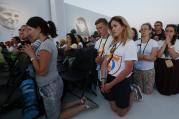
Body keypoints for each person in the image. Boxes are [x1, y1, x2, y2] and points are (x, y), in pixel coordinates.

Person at [23, 16, 63, 119]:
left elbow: (42, 72)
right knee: (56, 110)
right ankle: (82, 102)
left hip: (50, 86)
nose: (28, 33)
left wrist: (32, 56)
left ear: (39, 29)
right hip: (50, 84)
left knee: (55, 117)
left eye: (29, 30)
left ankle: (84, 106)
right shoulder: (44, 43)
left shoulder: (45, 45)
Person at [100, 16, 137, 117]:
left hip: (122, 80)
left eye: (115, 25)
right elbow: (104, 62)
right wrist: (103, 80)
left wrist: (110, 85)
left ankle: (132, 93)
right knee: (113, 107)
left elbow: (128, 69)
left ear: (123, 26)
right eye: (111, 27)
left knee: (121, 113)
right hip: (108, 77)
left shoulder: (130, 44)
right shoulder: (112, 43)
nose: (113, 29)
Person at [133, 23, 158, 94]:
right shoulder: (135, 42)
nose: (143, 31)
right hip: (137, 70)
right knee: (138, 91)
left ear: (150, 30)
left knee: (148, 92)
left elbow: (153, 58)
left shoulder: (154, 42)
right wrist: (147, 57)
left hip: (149, 71)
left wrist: (141, 56)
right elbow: (132, 55)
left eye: (145, 29)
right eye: (142, 29)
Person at [156, 24, 179, 95]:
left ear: (175, 33)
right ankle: (162, 89)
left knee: (173, 78)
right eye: (166, 31)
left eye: (171, 31)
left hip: (174, 63)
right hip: (162, 62)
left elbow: (174, 56)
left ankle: (173, 90)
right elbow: (159, 55)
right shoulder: (160, 42)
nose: (168, 33)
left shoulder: (178, 42)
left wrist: (168, 43)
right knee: (162, 78)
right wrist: (164, 44)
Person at [94, 18, 113, 83]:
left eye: (100, 28)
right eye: (97, 28)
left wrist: (103, 59)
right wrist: (96, 59)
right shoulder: (98, 42)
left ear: (107, 26)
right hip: (100, 70)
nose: (98, 31)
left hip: (111, 71)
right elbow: (97, 54)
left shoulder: (113, 39)